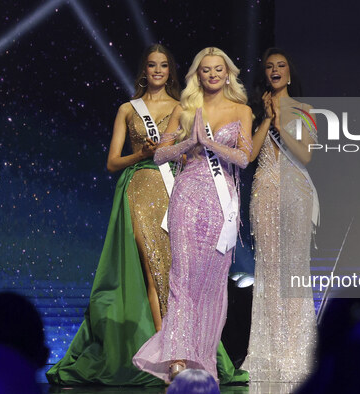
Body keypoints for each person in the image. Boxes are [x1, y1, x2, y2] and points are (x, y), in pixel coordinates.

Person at [47, 44, 180, 386]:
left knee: (174, 271)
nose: (157, 71)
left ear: (170, 71)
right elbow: (111, 163)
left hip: (173, 192)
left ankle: (180, 349)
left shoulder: (182, 108)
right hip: (139, 189)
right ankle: (165, 355)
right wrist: (141, 154)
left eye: (163, 65)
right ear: (144, 70)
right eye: (152, 65)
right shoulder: (127, 109)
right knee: (152, 267)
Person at [133, 47, 253, 384]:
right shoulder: (186, 109)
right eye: (205, 70)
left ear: (227, 73)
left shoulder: (241, 110)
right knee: (182, 280)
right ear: (196, 75)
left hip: (221, 202)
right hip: (187, 196)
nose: (212, 75)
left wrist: (210, 144)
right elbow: (160, 155)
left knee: (212, 285)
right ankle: (177, 361)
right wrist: (189, 144)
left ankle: (202, 362)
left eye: (218, 70)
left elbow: (243, 158)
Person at [241, 47, 317, 382]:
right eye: (269, 66)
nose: (275, 70)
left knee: (294, 267)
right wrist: (269, 118)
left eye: (281, 65)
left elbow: (305, 154)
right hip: (265, 191)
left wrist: (282, 123)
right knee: (269, 270)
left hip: (296, 191)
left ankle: (296, 350)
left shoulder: (305, 110)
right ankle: (271, 350)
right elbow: (250, 154)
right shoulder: (255, 112)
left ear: (289, 72)